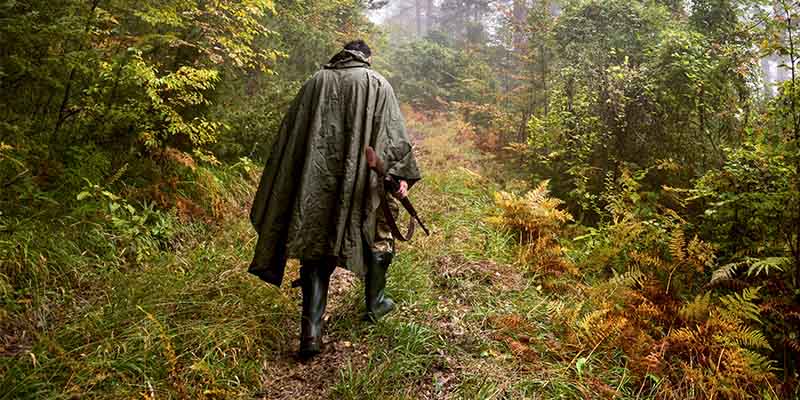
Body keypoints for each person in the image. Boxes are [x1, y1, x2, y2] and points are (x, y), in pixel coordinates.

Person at [248, 40, 421, 358]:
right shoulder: (377, 83)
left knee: (315, 243)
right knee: (378, 235)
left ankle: (311, 332)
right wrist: (399, 179)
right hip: (361, 186)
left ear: (342, 55)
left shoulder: (314, 82)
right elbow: (393, 138)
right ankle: (376, 306)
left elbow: (292, 139)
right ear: (366, 58)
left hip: (315, 184)